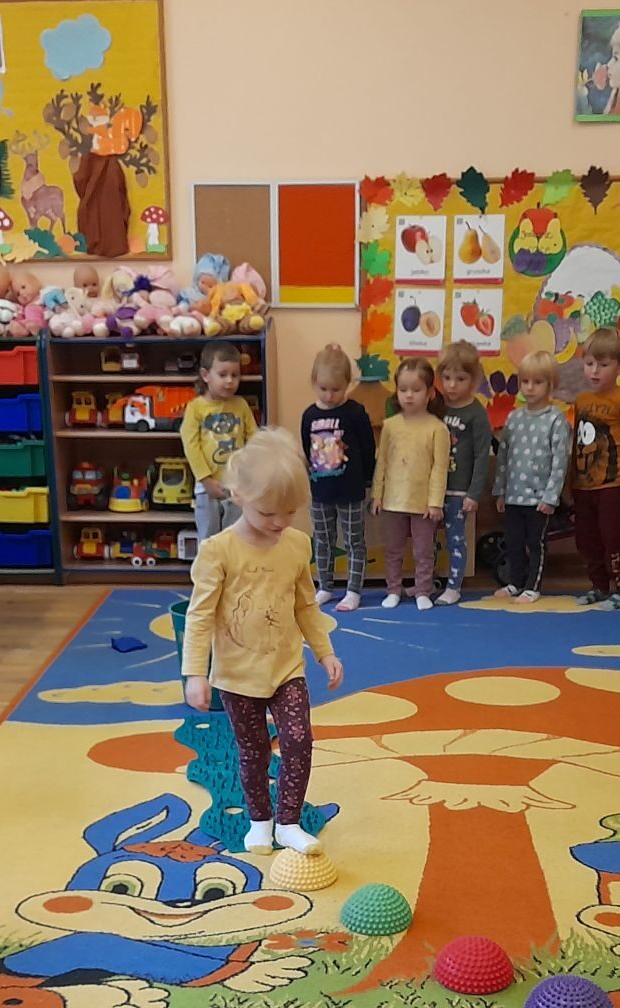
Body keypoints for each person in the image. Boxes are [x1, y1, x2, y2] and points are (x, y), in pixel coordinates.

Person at [182, 429, 344, 855]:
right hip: (236, 676)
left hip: (286, 668)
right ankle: (260, 822)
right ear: (238, 496)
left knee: (299, 740)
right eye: (268, 512)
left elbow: (306, 605)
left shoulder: (296, 545)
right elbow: (199, 615)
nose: (279, 522)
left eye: (290, 512)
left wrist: (325, 651)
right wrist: (195, 673)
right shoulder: (218, 552)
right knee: (253, 751)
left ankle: (288, 822)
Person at [570, 326, 620, 608]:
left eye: (603, 365)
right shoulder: (582, 400)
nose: (595, 371)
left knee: (614, 539)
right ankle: (598, 586)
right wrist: (572, 479)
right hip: (584, 485)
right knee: (587, 540)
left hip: (613, 485)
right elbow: (578, 441)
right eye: (589, 363)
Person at [300, 343, 375, 613]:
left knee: (354, 541)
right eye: (323, 389)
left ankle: (353, 590)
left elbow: (368, 448)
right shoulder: (310, 415)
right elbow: (306, 448)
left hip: (351, 490)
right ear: (314, 382)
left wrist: (367, 480)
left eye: (336, 389)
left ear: (347, 384)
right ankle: (325, 586)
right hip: (321, 490)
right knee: (323, 539)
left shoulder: (355, 412)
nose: (329, 396)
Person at [369, 359, 449, 610]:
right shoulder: (390, 426)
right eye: (403, 389)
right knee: (393, 549)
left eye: (416, 389)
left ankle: (423, 590)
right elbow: (382, 462)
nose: (409, 395)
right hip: (392, 500)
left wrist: (435, 502)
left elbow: (440, 468)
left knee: (423, 551)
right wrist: (377, 494)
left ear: (430, 393)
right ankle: (393, 589)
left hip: (422, 503)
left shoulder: (438, 428)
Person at [495, 349, 572, 602]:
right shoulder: (514, 418)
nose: (529, 388)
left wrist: (551, 497)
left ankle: (532, 586)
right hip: (513, 496)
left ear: (551, 385)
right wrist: (500, 491)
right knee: (514, 542)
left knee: (535, 543)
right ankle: (515, 582)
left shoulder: (555, 419)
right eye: (525, 381)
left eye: (537, 382)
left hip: (539, 498)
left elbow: (560, 461)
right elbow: (503, 457)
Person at [180, 340, 258, 546]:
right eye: (223, 375)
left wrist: (249, 476)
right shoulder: (195, 408)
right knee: (209, 542)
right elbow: (191, 446)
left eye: (235, 375)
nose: (230, 381)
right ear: (206, 375)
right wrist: (206, 480)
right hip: (207, 489)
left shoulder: (241, 405)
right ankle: (209, 571)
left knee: (236, 540)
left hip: (237, 487)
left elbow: (253, 439)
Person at [435, 341, 495, 605]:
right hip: (434, 488)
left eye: (460, 379)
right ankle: (428, 581)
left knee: (455, 538)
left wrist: (474, 493)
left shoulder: (476, 413)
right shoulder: (437, 407)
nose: (451, 385)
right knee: (428, 539)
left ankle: (454, 586)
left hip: (459, 491)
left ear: (474, 379)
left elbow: (483, 455)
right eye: (447, 377)